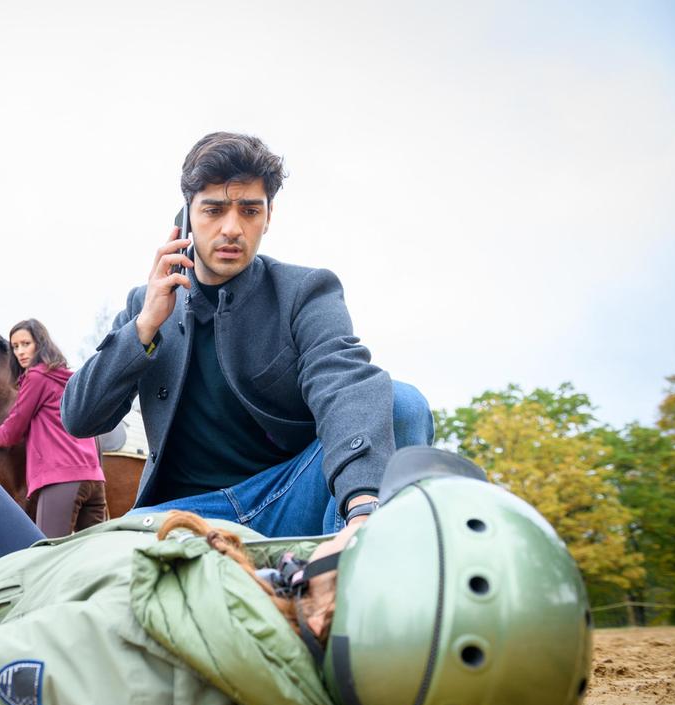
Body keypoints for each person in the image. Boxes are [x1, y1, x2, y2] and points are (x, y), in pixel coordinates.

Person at [0, 438, 592, 705]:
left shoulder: (149, 672)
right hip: (47, 572)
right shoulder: (287, 600)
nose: (353, 525)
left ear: (330, 616)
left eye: (369, 540)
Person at [62, 131, 435, 537]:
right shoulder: (147, 305)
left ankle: (349, 567)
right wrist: (144, 328)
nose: (232, 228)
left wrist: (364, 508)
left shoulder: (305, 292)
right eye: (214, 210)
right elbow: (80, 418)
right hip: (182, 514)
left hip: (286, 500)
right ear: (186, 217)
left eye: (249, 211)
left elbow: (343, 380)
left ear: (268, 216)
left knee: (402, 403)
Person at [0, 318, 106, 537]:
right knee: (94, 559)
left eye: (26, 344)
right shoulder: (68, 378)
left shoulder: (36, 377)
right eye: (15, 347)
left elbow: (14, 429)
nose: (20, 352)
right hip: (94, 480)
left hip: (62, 479)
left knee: (49, 556)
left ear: (40, 343)